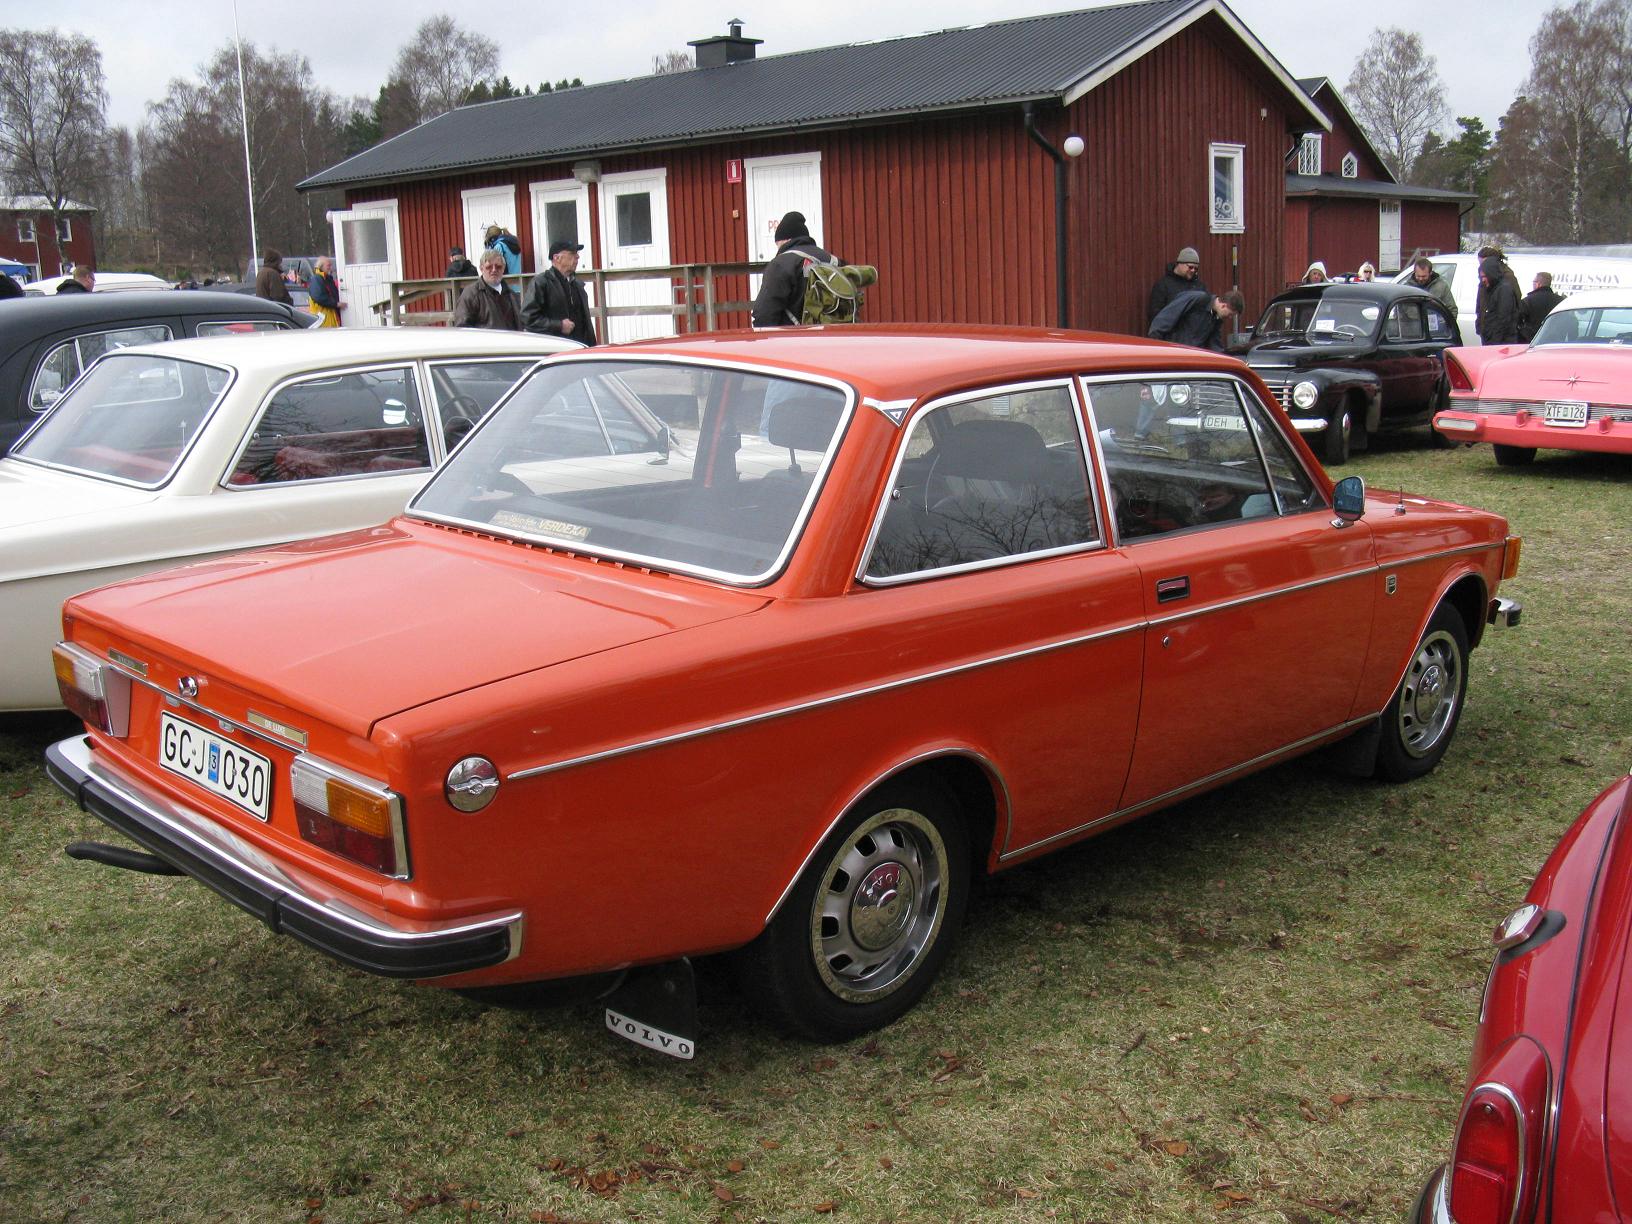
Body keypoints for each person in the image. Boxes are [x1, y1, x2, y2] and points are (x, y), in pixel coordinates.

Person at [751, 210, 839, 327]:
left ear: (786, 240)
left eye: (778, 244)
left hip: (795, 340)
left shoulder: (780, 264)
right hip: (835, 336)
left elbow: (763, 314)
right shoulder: (833, 260)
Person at [522, 240, 597, 344]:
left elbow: (586, 323)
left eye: (577, 254)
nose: (577, 257)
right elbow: (528, 318)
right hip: (555, 349)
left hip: (579, 349)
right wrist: (559, 325)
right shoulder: (541, 283)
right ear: (556, 258)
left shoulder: (578, 285)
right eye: (572, 253)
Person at [1148, 288, 1245, 350]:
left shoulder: (1216, 319)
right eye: (1230, 314)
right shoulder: (1197, 299)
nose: (1229, 318)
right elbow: (1167, 316)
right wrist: (1155, 344)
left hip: (1191, 356)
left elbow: (1215, 344)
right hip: (1173, 351)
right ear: (1224, 305)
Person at [452, 248, 522, 329]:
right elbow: (462, 327)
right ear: (481, 269)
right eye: (489, 267)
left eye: (498, 267)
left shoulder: (512, 295)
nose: (494, 270)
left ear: (503, 269)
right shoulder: (470, 294)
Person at [1146, 246, 1205, 325]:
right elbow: (1155, 314)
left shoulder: (1200, 287)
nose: (1193, 270)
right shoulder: (1163, 285)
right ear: (1180, 263)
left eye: (1196, 268)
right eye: (1190, 267)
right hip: (1171, 335)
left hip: (1195, 336)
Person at [1476, 254, 1521, 344]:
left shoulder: (1504, 289)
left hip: (1500, 342)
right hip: (1492, 338)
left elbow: (1503, 319)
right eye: (1481, 277)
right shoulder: (1490, 289)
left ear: (1491, 274)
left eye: (1485, 276)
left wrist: (1494, 341)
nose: (1483, 280)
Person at [1519, 272, 1564, 342]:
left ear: (1538, 284)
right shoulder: (1561, 301)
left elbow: (1518, 321)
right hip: (1555, 342)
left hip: (1531, 341)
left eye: (1533, 282)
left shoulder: (1527, 301)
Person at [306, 256, 344, 328]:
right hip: (322, 319)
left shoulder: (327, 278)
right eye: (328, 265)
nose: (330, 268)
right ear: (321, 266)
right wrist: (336, 304)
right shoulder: (317, 279)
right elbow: (319, 297)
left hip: (330, 317)